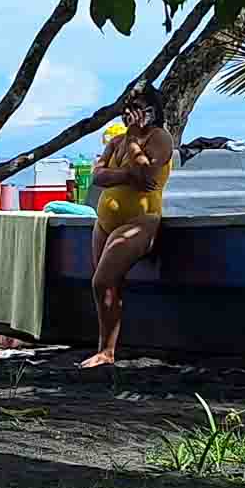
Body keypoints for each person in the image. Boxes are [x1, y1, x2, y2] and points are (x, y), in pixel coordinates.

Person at [80, 90, 174, 370]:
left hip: (141, 220)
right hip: (105, 222)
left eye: (137, 107)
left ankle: (107, 352)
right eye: (127, 107)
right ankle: (105, 348)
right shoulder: (115, 142)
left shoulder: (159, 138)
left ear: (151, 111)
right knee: (107, 286)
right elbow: (98, 176)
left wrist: (134, 139)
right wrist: (126, 174)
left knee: (102, 280)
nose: (130, 113)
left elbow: (146, 174)